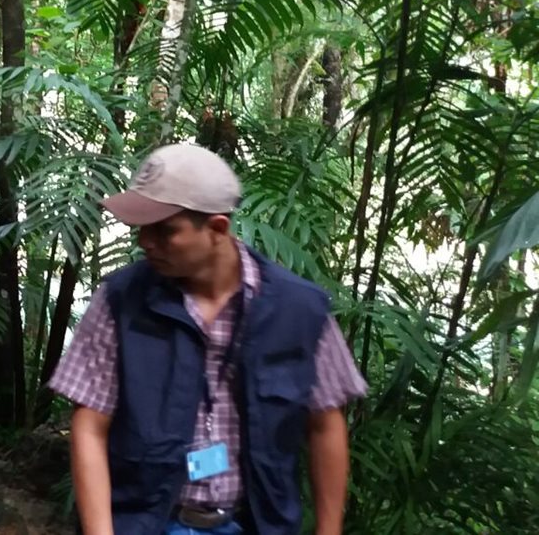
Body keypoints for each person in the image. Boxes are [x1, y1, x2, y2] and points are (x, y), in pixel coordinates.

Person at [48, 143, 367, 535]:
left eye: (165, 230)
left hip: (255, 524)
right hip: (149, 523)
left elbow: (325, 422)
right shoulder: (120, 300)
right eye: (142, 228)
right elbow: (89, 425)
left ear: (216, 229)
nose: (145, 241)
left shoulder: (299, 309)